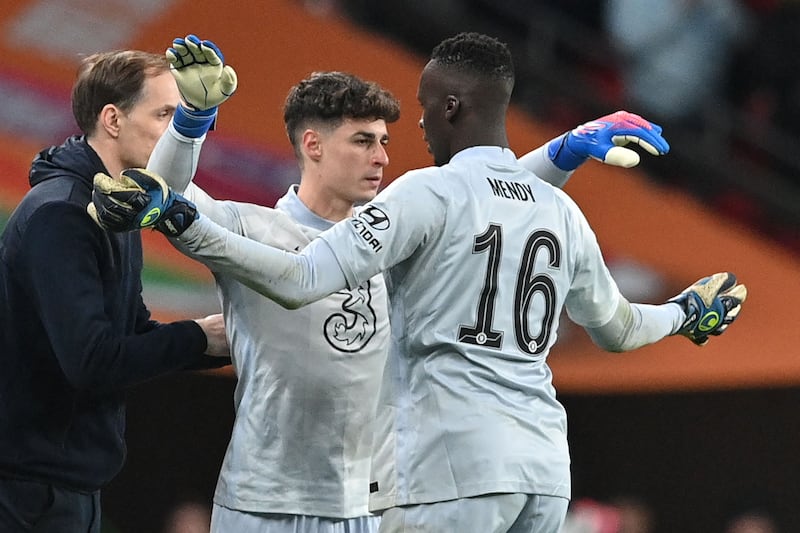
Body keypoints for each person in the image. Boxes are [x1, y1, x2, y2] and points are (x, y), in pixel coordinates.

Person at [92, 32, 747, 533]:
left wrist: (562, 150)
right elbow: (168, 196)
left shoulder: (414, 224)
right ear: (313, 145)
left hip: (402, 488)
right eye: (363, 140)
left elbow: (473, 202)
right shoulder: (254, 228)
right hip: (279, 499)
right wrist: (192, 122)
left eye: (395, 132)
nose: (387, 152)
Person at [0, 46, 232, 532]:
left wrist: (213, 343)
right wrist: (195, 338)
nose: (178, 132)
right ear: (112, 119)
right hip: (28, 496)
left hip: (65, 488)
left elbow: (130, 330)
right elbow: (92, 360)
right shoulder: (62, 214)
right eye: (166, 113)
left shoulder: (115, 205)